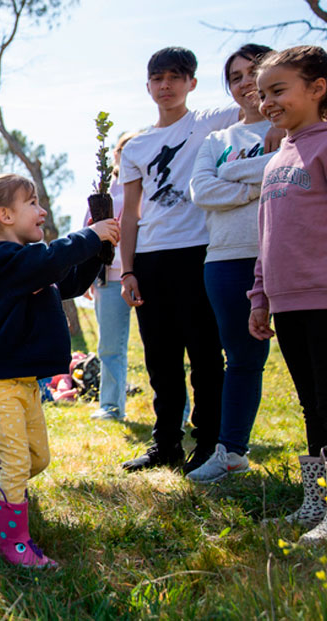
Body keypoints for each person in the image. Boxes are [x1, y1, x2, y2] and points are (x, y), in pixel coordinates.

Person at [0, 173, 118, 568]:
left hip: (23, 383)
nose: (42, 210)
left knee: (37, 459)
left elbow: (67, 280)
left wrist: (98, 249)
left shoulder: (25, 266)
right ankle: (13, 542)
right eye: (32, 203)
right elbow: (50, 260)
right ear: (4, 215)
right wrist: (88, 236)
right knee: (16, 461)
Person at [118, 47, 242, 473]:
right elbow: (130, 213)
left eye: (175, 77)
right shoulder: (135, 145)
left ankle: (209, 444)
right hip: (150, 260)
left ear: (192, 82)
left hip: (199, 255)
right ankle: (165, 443)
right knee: (160, 357)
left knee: (207, 355)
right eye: (157, 78)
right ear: (148, 85)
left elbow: (256, 99)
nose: (165, 86)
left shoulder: (208, 123)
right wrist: (128, 269)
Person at [186, 44, 276, 484]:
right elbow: (201, 191)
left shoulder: (293, 129)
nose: (244, 83)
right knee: (240, 357)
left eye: (253, 73)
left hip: (281, 255)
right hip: (225, 260)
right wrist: (254, 186)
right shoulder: (217, 141)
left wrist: (235, 175)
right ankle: (232, 451)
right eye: (236, 76)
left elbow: (288, 166)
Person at [248, 45, 327, 544]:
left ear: (318, 88)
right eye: (262, 94)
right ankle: (315, 503)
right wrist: (260, 295)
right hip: (288, 300)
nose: (267, 102)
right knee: (311, 406)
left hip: (323, 298)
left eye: (278, 90)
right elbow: (267, 233)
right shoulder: (278, 155)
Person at [88, 131, 140, 422]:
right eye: (123, 148)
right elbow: (89, 233)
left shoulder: (149, 184)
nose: (129, 152)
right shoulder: (104, 191)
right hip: (108, 278)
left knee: (162, 346)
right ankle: (111, 405)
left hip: (144, 273)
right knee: (109, 345)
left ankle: (176, 411)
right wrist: (88, 275)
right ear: (115, 155)